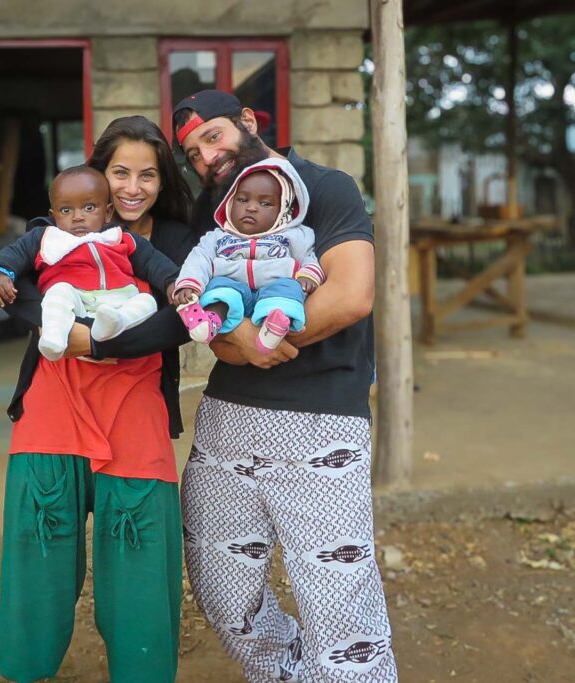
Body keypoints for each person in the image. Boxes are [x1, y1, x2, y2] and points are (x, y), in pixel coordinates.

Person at [174, 90, 398, 682]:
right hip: (227, 418)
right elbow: (208, 321)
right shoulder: (214, 213)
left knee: (338, 605)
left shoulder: (326, 187)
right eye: (194, 152)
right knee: (223, 595)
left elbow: (351, 293)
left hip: (322, 415)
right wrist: (234, 340)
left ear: (248, 122)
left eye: (214, 136)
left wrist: (262, 341)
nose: (207, 157)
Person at [0, 116, 196, 683]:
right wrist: (65, 329)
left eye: (147, 175)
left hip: (134, 407)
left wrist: (98, 346)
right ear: (98, 177)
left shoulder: (175, 241)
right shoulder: (54, 231)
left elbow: (183, 320)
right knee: (38, 551)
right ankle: (26, 669)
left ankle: (142, 671)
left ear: (162, 181)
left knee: (139, 562)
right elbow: (17, 292)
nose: (132, 187)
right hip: (54, 403)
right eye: (120, 172)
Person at [0, 166, 175, 361]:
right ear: (54, 215)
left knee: (147, 301)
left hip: (118, 300)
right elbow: (16, 252)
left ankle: (115, 323)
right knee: (57, 292)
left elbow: (153, 261)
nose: (77, 216)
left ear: (108, 212)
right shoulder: (46, 237)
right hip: (75, 301)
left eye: (89, 208)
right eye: (66, 210)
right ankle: (54, 337)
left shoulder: (119, 237)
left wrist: (171, 281)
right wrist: (3, 273)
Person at [171, 157, 324, 353]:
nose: (251, 207)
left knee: (289, 288)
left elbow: (309, 257)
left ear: (283, 210)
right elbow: (198, 259)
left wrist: (308, 276)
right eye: (243, 199)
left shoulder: (294, 235)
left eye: (265, 203)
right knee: (219, 289)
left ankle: (274, 326)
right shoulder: (217, 237)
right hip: (233, 287)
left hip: (274, 286)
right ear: (229, 203)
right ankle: (208, 322)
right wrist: (189, 284)